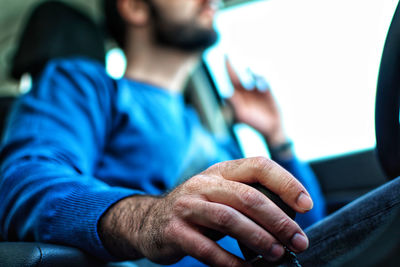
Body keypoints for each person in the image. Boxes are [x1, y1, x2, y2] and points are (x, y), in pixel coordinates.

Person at [0, 0, 361, 265]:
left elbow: (307, 232)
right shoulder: (84, 84)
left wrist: (278, 138)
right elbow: (26, 179)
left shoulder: (202, 126)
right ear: (136, 7)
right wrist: (145, 218)